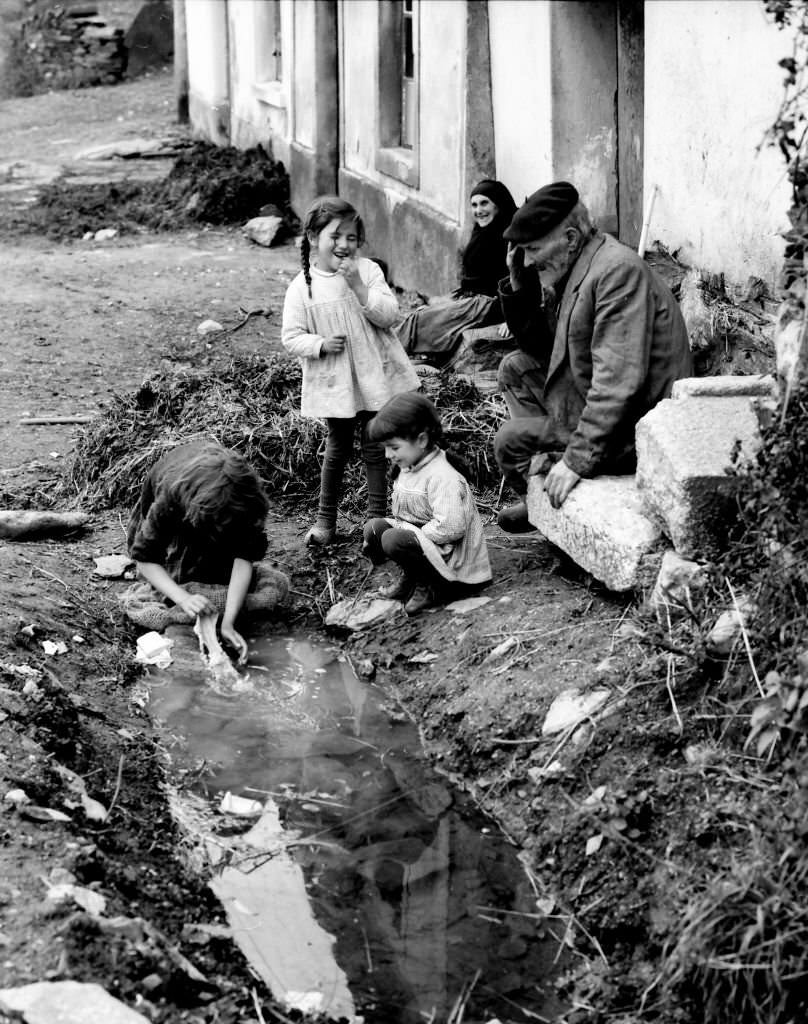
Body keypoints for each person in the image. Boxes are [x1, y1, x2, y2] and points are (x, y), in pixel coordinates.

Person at [493, 181, 692, 532]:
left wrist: (576, 459)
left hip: (633, 428)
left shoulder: (617, 272)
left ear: (570, 239)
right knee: (515, 369)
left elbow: (618, 383)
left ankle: (553, 502)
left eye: (533, 249)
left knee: (509, 441)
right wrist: (519, 284)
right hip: (593, 402)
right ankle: (544, 476)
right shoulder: (581, 262)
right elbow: (544, 350)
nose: (526, 259)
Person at [282, 195, 420, 546]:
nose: (344, 245)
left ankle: (377, 522)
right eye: (335, 236)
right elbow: (291, 337)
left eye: (352, 237)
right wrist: (320, 344)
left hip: (374, 375)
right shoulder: (302, 287)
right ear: (314, 238)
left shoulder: (369, 271)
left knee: (376, 446)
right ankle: (326, 521)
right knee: (337, 447)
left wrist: (358, 286)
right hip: (336, 383)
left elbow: (390, 316)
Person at [126, 441, 273, 663]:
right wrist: (183, 598)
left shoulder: (245, 500)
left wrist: (228, 622)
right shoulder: (169, 499)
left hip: (209, 505)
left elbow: (244, 557)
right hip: (172, 487)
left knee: (218, 571)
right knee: (175, 575)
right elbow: (144, 560)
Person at [362, 393, 492, 616]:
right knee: (374, 529)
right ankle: (412, 577)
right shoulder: (410, 463)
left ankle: (433, 587)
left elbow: (451, 528)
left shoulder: (442, 476)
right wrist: (406, 530)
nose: (387, 454)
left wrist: (413, 534)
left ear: (421, 440)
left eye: (393, 447)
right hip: (426, 540)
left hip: (452, 557)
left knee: (393, 539)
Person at [396, 179, 517, 365]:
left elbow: (517, 281)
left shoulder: (509, 237)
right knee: (422, 312)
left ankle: (387, 354)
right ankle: (388, 352)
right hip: (468, 296)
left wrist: (512, 318)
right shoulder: (482, 233)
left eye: (485, 203)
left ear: (499, 204)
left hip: (488, 304)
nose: (478, 210)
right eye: (474, 205)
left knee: (420, 319)